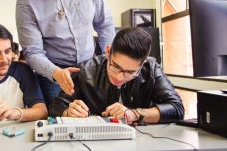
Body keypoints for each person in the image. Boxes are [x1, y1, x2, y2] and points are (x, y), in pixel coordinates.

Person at [16, 0, 115, 106]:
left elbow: (104, 23)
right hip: (53, 73)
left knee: (97, 114)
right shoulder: (25, 3)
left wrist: (110, 58)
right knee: (58, 121)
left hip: (90, 65)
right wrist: (55, 72)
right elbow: (32, 52)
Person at [49, 27, 184, 124]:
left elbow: (176, 109)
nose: (119, 77)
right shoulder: (85, 70)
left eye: (130, 72)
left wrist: (135, 114)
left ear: (143, 64)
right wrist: (68, 112)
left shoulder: (152, 69)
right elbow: (56, 105)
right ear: (108, 52)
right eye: (116, 67)